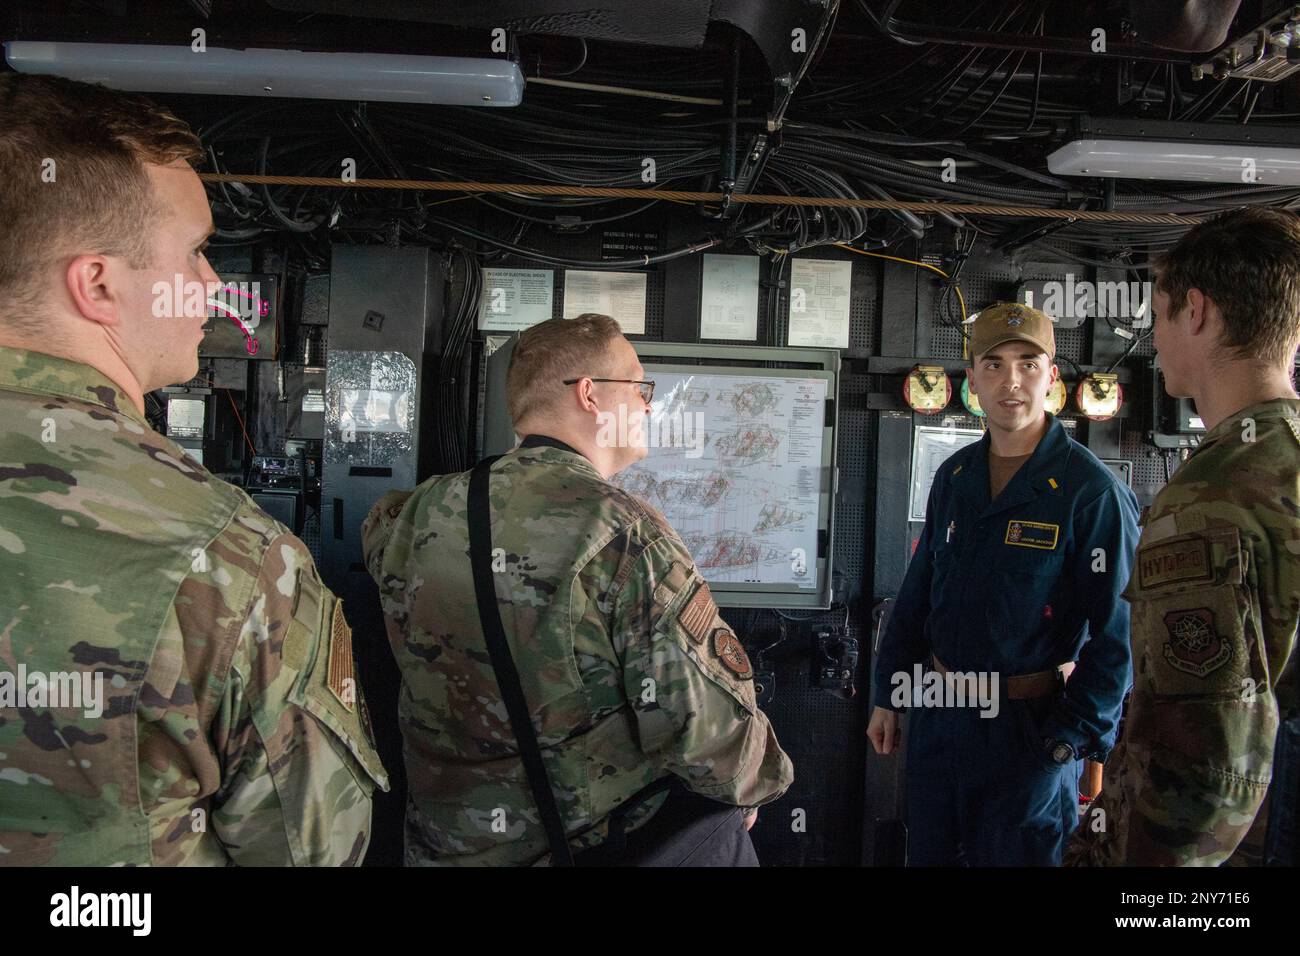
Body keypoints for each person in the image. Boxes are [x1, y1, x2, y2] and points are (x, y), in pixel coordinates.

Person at [0, 74, 387, 866]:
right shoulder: (231, 560)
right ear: (98, 283)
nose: (213, 286)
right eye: (196, 252)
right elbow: (313, 850)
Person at [363, 313, 793, 866]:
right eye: (640, 388)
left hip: (441, 846)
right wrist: (759, 783)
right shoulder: (625, 534)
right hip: (579, 846)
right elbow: (701, 728)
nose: (647, 405)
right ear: (590, 395)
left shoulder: (416, 511)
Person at [1065, 207, 1300, 866]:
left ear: (1195, 311)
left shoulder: (1210, 497)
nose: (1155, 338)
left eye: (1158, 315)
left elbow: (1198, 769)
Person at [867, 302, 1140, 866]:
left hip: (1028, 734)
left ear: (1053, 378)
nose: (1010, 380)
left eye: (1028, 363)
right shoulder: (956, 475)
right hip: (940, 716)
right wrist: (888, 692)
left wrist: (1070, 738)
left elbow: (1119, 635)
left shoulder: (1092, 493)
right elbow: (918, 594)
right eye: (993, 364)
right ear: (973, 381)